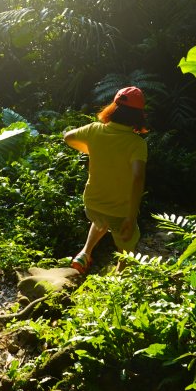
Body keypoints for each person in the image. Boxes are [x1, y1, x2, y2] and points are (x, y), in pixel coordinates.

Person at [63, 86, 148, 274]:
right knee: (127, 251)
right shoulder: (136, 144)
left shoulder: (94, 130)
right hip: (119, 212)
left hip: (92, 206)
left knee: (101, 220)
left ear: (113, 108)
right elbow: (137, 177)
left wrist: (93, 150)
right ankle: (119, 280)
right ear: (138, 115)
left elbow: (68, 137)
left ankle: (85, 253)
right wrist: (131, 216)